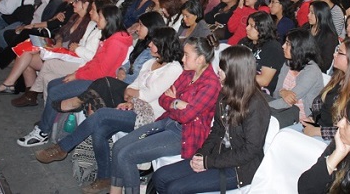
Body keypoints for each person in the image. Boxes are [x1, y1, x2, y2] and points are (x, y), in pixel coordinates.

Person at [33, 27, 184, 193]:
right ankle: (105, 177)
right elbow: (134, 86)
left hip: (150, 116)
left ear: (164, 44)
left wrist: (133, 96)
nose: (149, 45)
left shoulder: (174, 69)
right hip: (133, 107)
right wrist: (132, 96)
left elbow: (149, 94)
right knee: (100, 129)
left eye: (154, 42)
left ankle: (63, 147)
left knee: (102, 114)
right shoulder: (150, 63)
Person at [108, 37, 221, 194]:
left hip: (185, 134)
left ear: (201, 59)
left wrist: (174, 101)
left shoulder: (211, 84)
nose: (182, 59)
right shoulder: (189, 73)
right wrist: (177, 102)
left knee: (127, 155)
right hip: (168, 122)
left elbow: (186, 116)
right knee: (119, 146)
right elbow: (163, 99)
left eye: (186, 55)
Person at [152, 45, 271, 194]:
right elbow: (217, 130)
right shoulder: (225, 93)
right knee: (160, 177)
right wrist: (201, 154)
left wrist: (208, 162)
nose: (218, 71)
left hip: (238, 169)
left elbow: (250, 150)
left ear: (234, 72)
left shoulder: (256, 105)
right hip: (216, 156)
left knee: (174, 188)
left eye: (222, 68)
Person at [16, 4, 132, 148]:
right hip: (92, 76)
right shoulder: (111, 37)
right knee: (53, 84)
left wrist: (77, 76)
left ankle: (42, 132)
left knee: (55, 91)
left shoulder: (116, 42)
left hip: (98, 83)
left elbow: (101, 71)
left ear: (109, 20)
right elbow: (95, 62)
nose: (97, 19)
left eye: (100, 17)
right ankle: (48, 124)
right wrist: (76, 73)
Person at [301, 38, 350, 142]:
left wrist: (317, 131)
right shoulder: (340, 76)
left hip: (336, 140)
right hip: (318, 127)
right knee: (284, 136)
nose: (334, 55)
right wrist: (313, 118)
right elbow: (322, 105)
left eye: (339, 52)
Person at [268, 28, 323, 126]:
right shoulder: (288, 63)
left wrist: (263, 107)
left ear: (299, 47)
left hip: (301, 119)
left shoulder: (312, 71)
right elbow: (276, 93)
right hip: (283, 110)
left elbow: (289, 101)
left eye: (288, 43)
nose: (283, 46)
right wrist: (283, 92)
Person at [240, 11, 284, 95]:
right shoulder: (244, 42)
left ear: (262, 28)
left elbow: (264, 81)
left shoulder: (273, 48)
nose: (247, 28)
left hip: (261, 92)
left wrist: (236, 78)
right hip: (242, 86)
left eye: (252, 26)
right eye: (248, 24)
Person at [306, 1, 339, 72]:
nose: (308, 15)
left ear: (321, 14)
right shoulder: (306, 28)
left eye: (312, 13)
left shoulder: (329, 37)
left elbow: (325, 64)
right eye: (309, 12)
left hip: (316, 72)